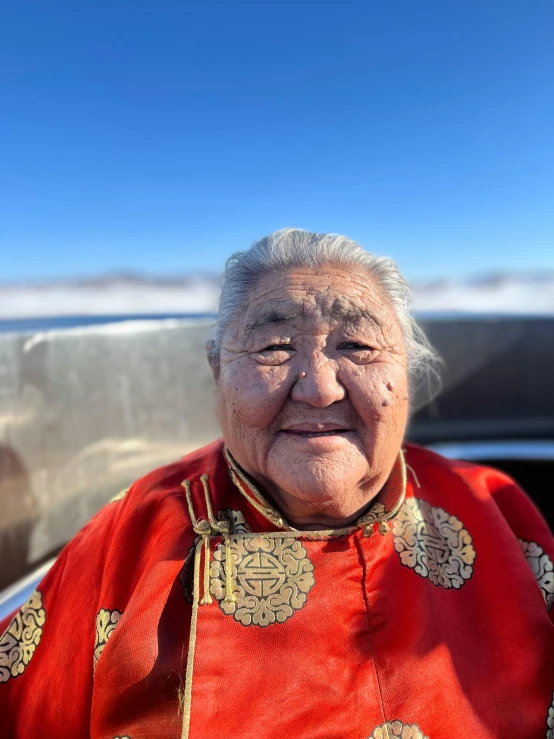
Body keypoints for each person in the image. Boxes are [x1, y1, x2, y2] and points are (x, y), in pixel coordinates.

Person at [1, 229, 553, 739]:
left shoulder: (492, 507)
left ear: (405, 371)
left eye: (357, 346)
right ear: (217, 370)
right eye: (273, 348)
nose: (318, 389)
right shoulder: (135, 529)